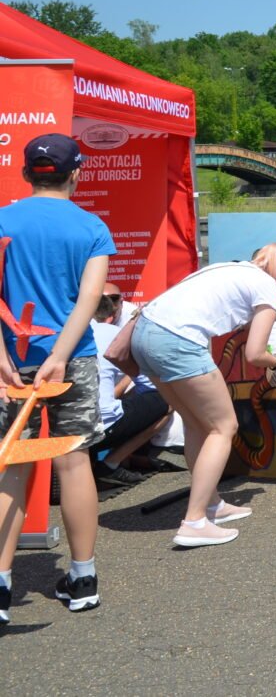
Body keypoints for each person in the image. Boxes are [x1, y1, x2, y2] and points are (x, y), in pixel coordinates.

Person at [0, 134, 114, 620]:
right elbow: (90, 299)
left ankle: (1, 584)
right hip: (73, 360)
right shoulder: (91, 227)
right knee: (73, 462)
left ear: (27, 173)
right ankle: (83, 578)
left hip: (12, 361)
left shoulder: (3, 220)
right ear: (76, 174)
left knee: (12, 464)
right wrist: (61, 355)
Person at [133, 245, 276, 547]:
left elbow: (249, 318)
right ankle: (194, 522)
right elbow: (254, 353)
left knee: (196, 423)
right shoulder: (267, 286)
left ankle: (212, 504)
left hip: (145, 335)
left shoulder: (231, 270)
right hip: (178, 342)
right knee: (224, 427)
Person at [91, 288, 171, 488]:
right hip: (101, 427)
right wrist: (126, 381)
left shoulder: (62, 337)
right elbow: (150, 385)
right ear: (110, 317)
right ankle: (111, 464)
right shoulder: (114, 335)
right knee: (167, 401)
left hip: (64, 424)